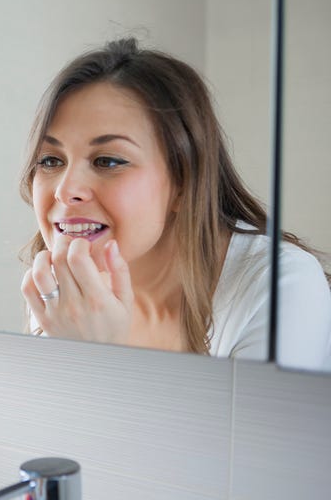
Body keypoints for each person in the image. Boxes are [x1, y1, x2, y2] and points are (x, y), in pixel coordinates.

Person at [19, 38, 331, 370]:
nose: (66, 191)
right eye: (51, 161)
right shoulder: (62, 292)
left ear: (183, 182)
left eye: (108, 161)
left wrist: (99, 357)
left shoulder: (279, 286)